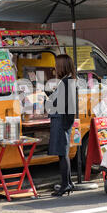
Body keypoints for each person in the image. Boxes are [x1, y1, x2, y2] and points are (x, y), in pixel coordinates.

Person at [47, 54, 77, 196]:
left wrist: (46, 101)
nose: (54, 68)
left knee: (62, 153)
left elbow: (64, 105)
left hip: (61, 121)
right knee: (63, 153)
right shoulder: (67, 81)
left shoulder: (66, 82)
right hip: (63, 121)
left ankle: (65, 184)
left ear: (62, 66)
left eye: (56, 65)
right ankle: (68, 183)